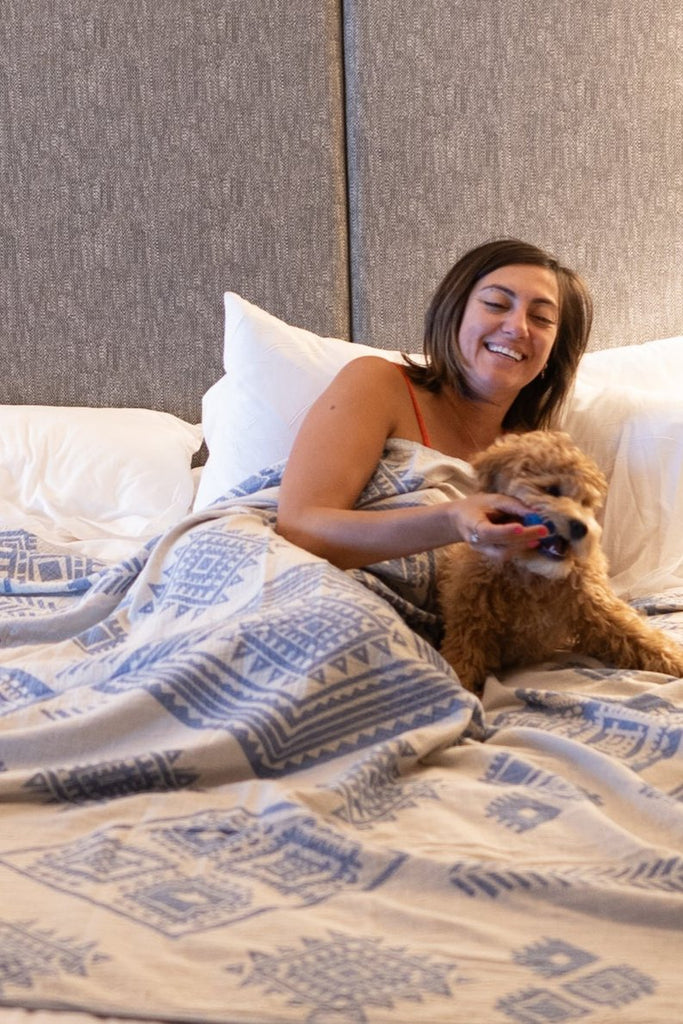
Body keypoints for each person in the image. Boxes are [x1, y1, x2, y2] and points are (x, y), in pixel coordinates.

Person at [276, 238, 593, 570]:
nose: (517, 327)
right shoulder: (380, 384)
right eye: (496, 304)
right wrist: (451, 521)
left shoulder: (543, 462)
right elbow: (299, 528)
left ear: (553, 351)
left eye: (541, 318)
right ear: (453, 313)